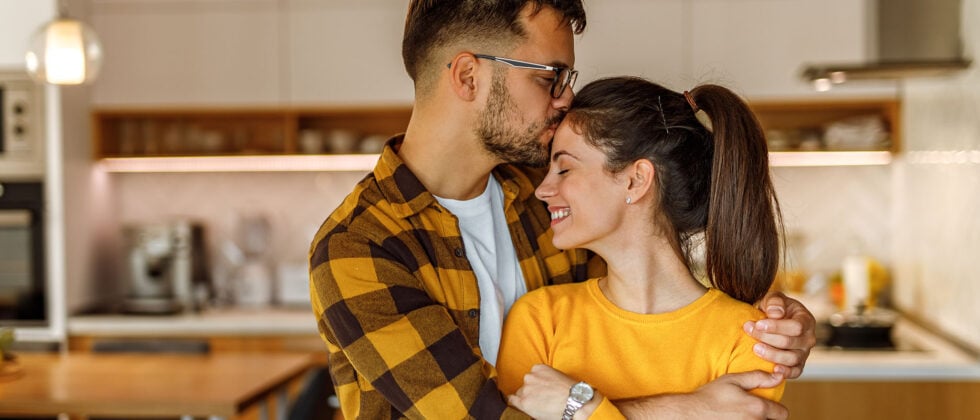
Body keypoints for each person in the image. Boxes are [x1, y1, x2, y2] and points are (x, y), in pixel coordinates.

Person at [308, 1, 816, 418]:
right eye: (550, 76)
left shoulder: (542, 202)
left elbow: (650, 298)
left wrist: (776, 321)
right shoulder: (359, 247)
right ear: (468, 76)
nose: (566, 97)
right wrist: (679, 410)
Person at [497, 76, 787, 419]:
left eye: (564, 168)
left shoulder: (752, 336)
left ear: (636, 180)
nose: (543, 190)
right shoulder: (540, 318)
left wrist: (582, 408)